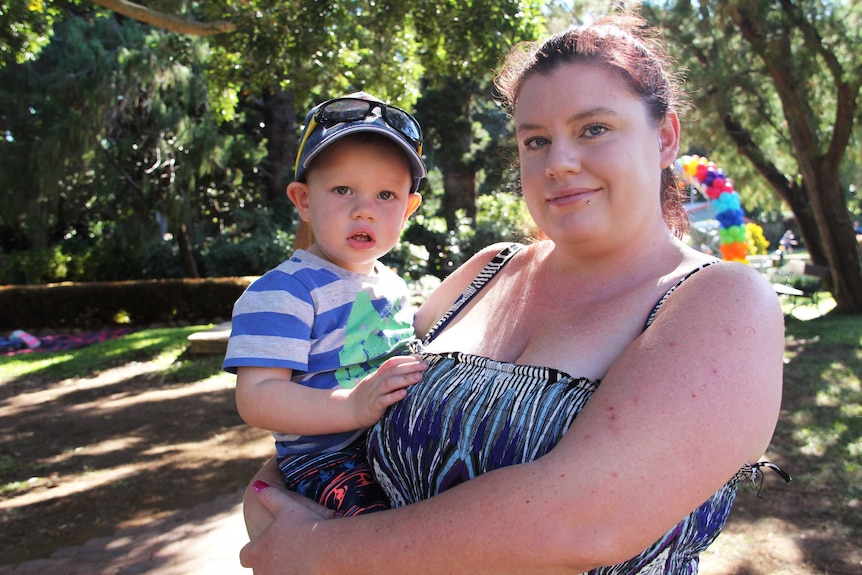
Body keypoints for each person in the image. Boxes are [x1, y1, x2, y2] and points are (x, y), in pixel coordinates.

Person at [240, 13, 786, 574]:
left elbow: (581, 522)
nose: (559, 163)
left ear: (665, 137)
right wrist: (270, 493)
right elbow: (345, 394)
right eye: (536, 140)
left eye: (594, 128)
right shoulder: (484, 271)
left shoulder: (722, 302)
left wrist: (315, 551)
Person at [223, 92, 428, 517]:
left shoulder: (393, 285)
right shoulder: (285, 290)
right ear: (303, 200)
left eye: (386, 195)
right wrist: (352, 406)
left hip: (396, 445)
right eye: (342, 189)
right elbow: (257, 397)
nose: (364, 211)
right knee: (383, 536)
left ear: (409, 208)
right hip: (329, 462)